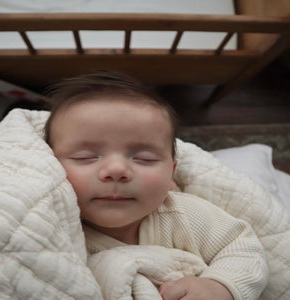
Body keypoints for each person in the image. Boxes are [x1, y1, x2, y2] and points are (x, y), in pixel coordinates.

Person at [45, 70, 268, 300]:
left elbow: (242, 247)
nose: (117, 171)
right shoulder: (51, 230)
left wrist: (219, 286)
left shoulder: (185, 215)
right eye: (85, 157)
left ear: (171, 174)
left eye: (144, 159)